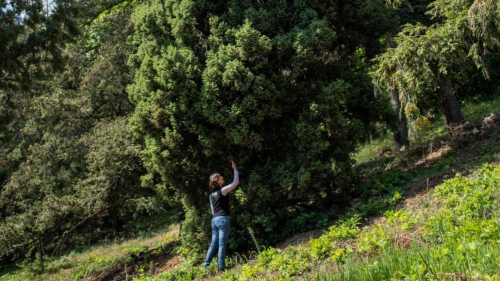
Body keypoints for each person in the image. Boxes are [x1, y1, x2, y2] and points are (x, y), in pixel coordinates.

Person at [204, 161, 239, 273]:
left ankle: (206, 266)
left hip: (214, 220)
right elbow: (235, 183)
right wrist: (235, 169)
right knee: (222, 244)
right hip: (223, 219)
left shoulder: (211, 195)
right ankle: (221, 268)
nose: (222, 177)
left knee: (213, 244)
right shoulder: (222, 191)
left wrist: (216, 218)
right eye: (220, 177)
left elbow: (212, 210)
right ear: (217, 181)